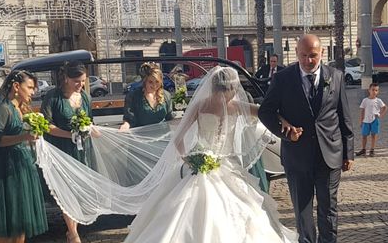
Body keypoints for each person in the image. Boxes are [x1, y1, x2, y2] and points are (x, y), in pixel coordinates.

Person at [123, 66, 297, 242]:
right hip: (204, 164)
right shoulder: (214, 105)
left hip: (220, 165)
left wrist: (283, 120)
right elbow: (178, 139)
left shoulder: (226, 106)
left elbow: (264, 112)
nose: (231, 94)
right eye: (230, 90)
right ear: (224, 89)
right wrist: (190, 159)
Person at [258, 34, 354, 243]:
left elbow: (343, 116)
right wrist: (285, 132)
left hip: (330, 155)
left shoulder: (335, 76)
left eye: (313, 56)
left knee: (329, 208)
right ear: (296, 54)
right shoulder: (283, 78)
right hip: (297, 156)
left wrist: (349, 152)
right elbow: (265, 111)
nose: (308, 61)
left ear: (322, 53)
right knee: (302, 210)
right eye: (303, 56)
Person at [0, 70, 48, 243]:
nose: (33, 91)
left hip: (23, 167)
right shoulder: (3, 109)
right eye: (29, 87)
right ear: (16, 86)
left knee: (21, 223)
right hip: (6, 170)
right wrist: (24, 136)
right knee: (7, 225)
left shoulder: (21, 109)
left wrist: (33, 139)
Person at [41, 61, 93, 243]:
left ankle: (73, 229)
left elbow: (89, 120)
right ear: (66, 79)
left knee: (78, 189)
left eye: (83, 81)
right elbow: (46, 125)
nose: (81, 85)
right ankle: (73, 233)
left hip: (81, 150)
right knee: (65, 190)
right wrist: (68, 134)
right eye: (77, 81)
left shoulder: (85, 98)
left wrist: (90, 130)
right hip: (60, 149)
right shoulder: (53, 97)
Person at [120, 62, 173, 130]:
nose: (154, 86)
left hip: (163, 136)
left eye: (157, 82)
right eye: (150, 82)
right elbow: (128, 119)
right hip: (140, 137)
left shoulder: (166, 95)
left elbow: (170, 118)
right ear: (145, 81)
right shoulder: (133, 96)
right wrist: (125, 126)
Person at [356, 82, 387, 157]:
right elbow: (362, 110)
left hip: (374, 120)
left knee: (373, 135)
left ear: (378, 91)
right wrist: (361, 120)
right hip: (366, 121)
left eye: (376, 90)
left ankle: (372, 149)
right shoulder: (365, 100)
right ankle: (363, 149)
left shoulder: (378, 100)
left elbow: (385, 107)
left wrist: (380, 115)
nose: (374, 92)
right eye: (373, 90)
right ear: (369, 90)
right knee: (364, 135)